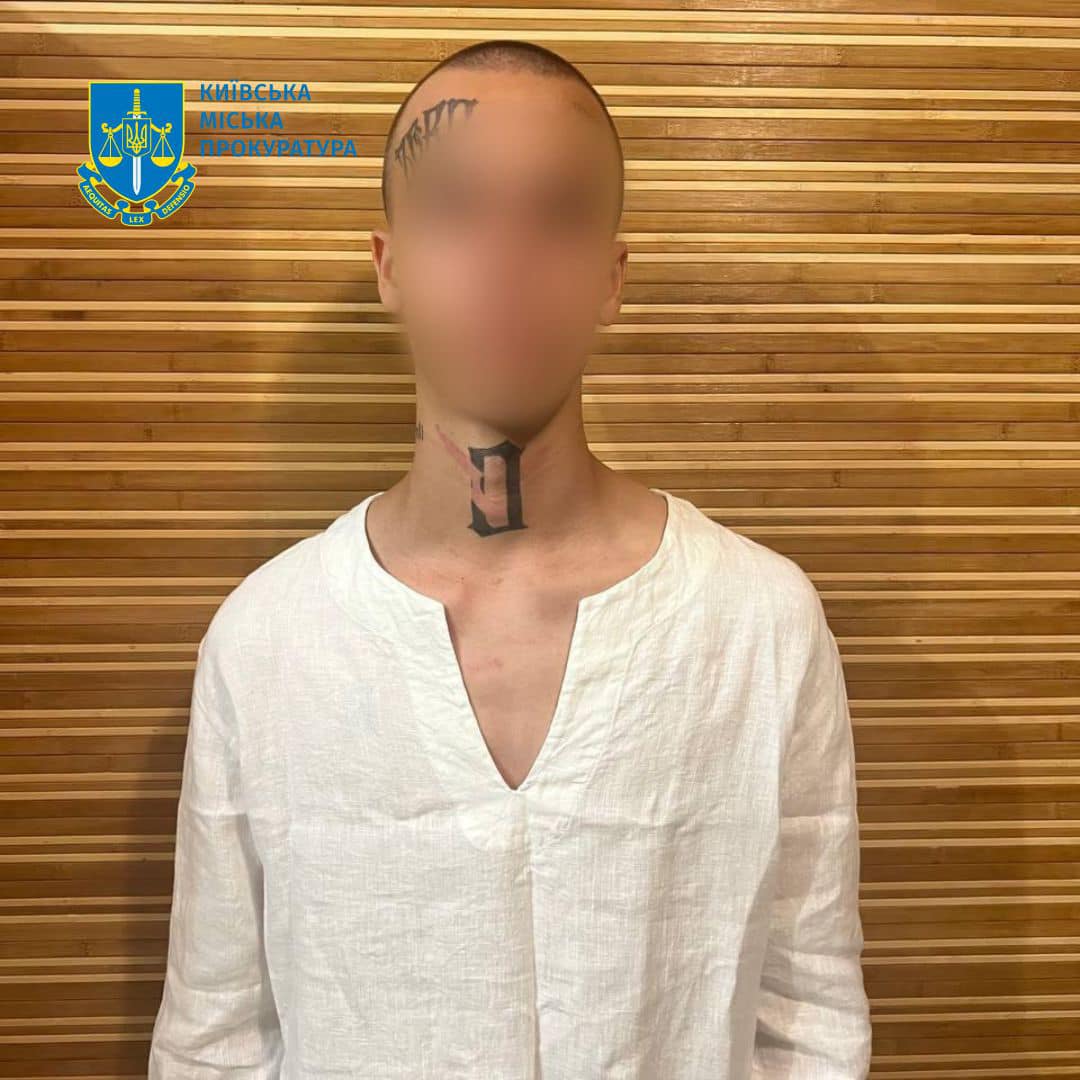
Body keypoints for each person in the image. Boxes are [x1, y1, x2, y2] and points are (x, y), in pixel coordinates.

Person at [147, 39, 872, 1079]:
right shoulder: (267, 640)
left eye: (557, 215)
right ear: (390, 267)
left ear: (610, 278)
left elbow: (809, 1020)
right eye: (456, 210)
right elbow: (214, 1037)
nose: (505, 260)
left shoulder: (759, 624)